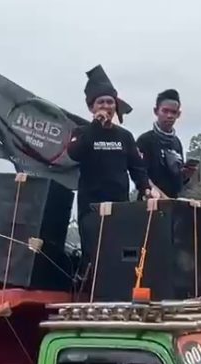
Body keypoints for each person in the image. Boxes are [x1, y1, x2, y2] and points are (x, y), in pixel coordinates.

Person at [67, 66, 154, 253]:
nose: (106, 106)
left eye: (110, 102)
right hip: (90, 207)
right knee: (93, 256)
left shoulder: (125, 136)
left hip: (119, 206)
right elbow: (74, 153)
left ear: (116, 106)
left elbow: (137, 168)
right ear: (91, 107)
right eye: (101, 102)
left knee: (116, 255)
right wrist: (95, 126)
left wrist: (145, 187)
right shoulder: (81, 132)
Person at [136, 89, 197, 199]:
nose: (169, 116)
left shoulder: (176, 143)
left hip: (172, 203)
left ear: (178, 114)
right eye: (165, 111)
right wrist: (159, 195)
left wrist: (185, 175)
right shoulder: (145, 140)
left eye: (173, 112)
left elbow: (177, 182)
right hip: (149, 203)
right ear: (156, 111)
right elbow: (140, 175)